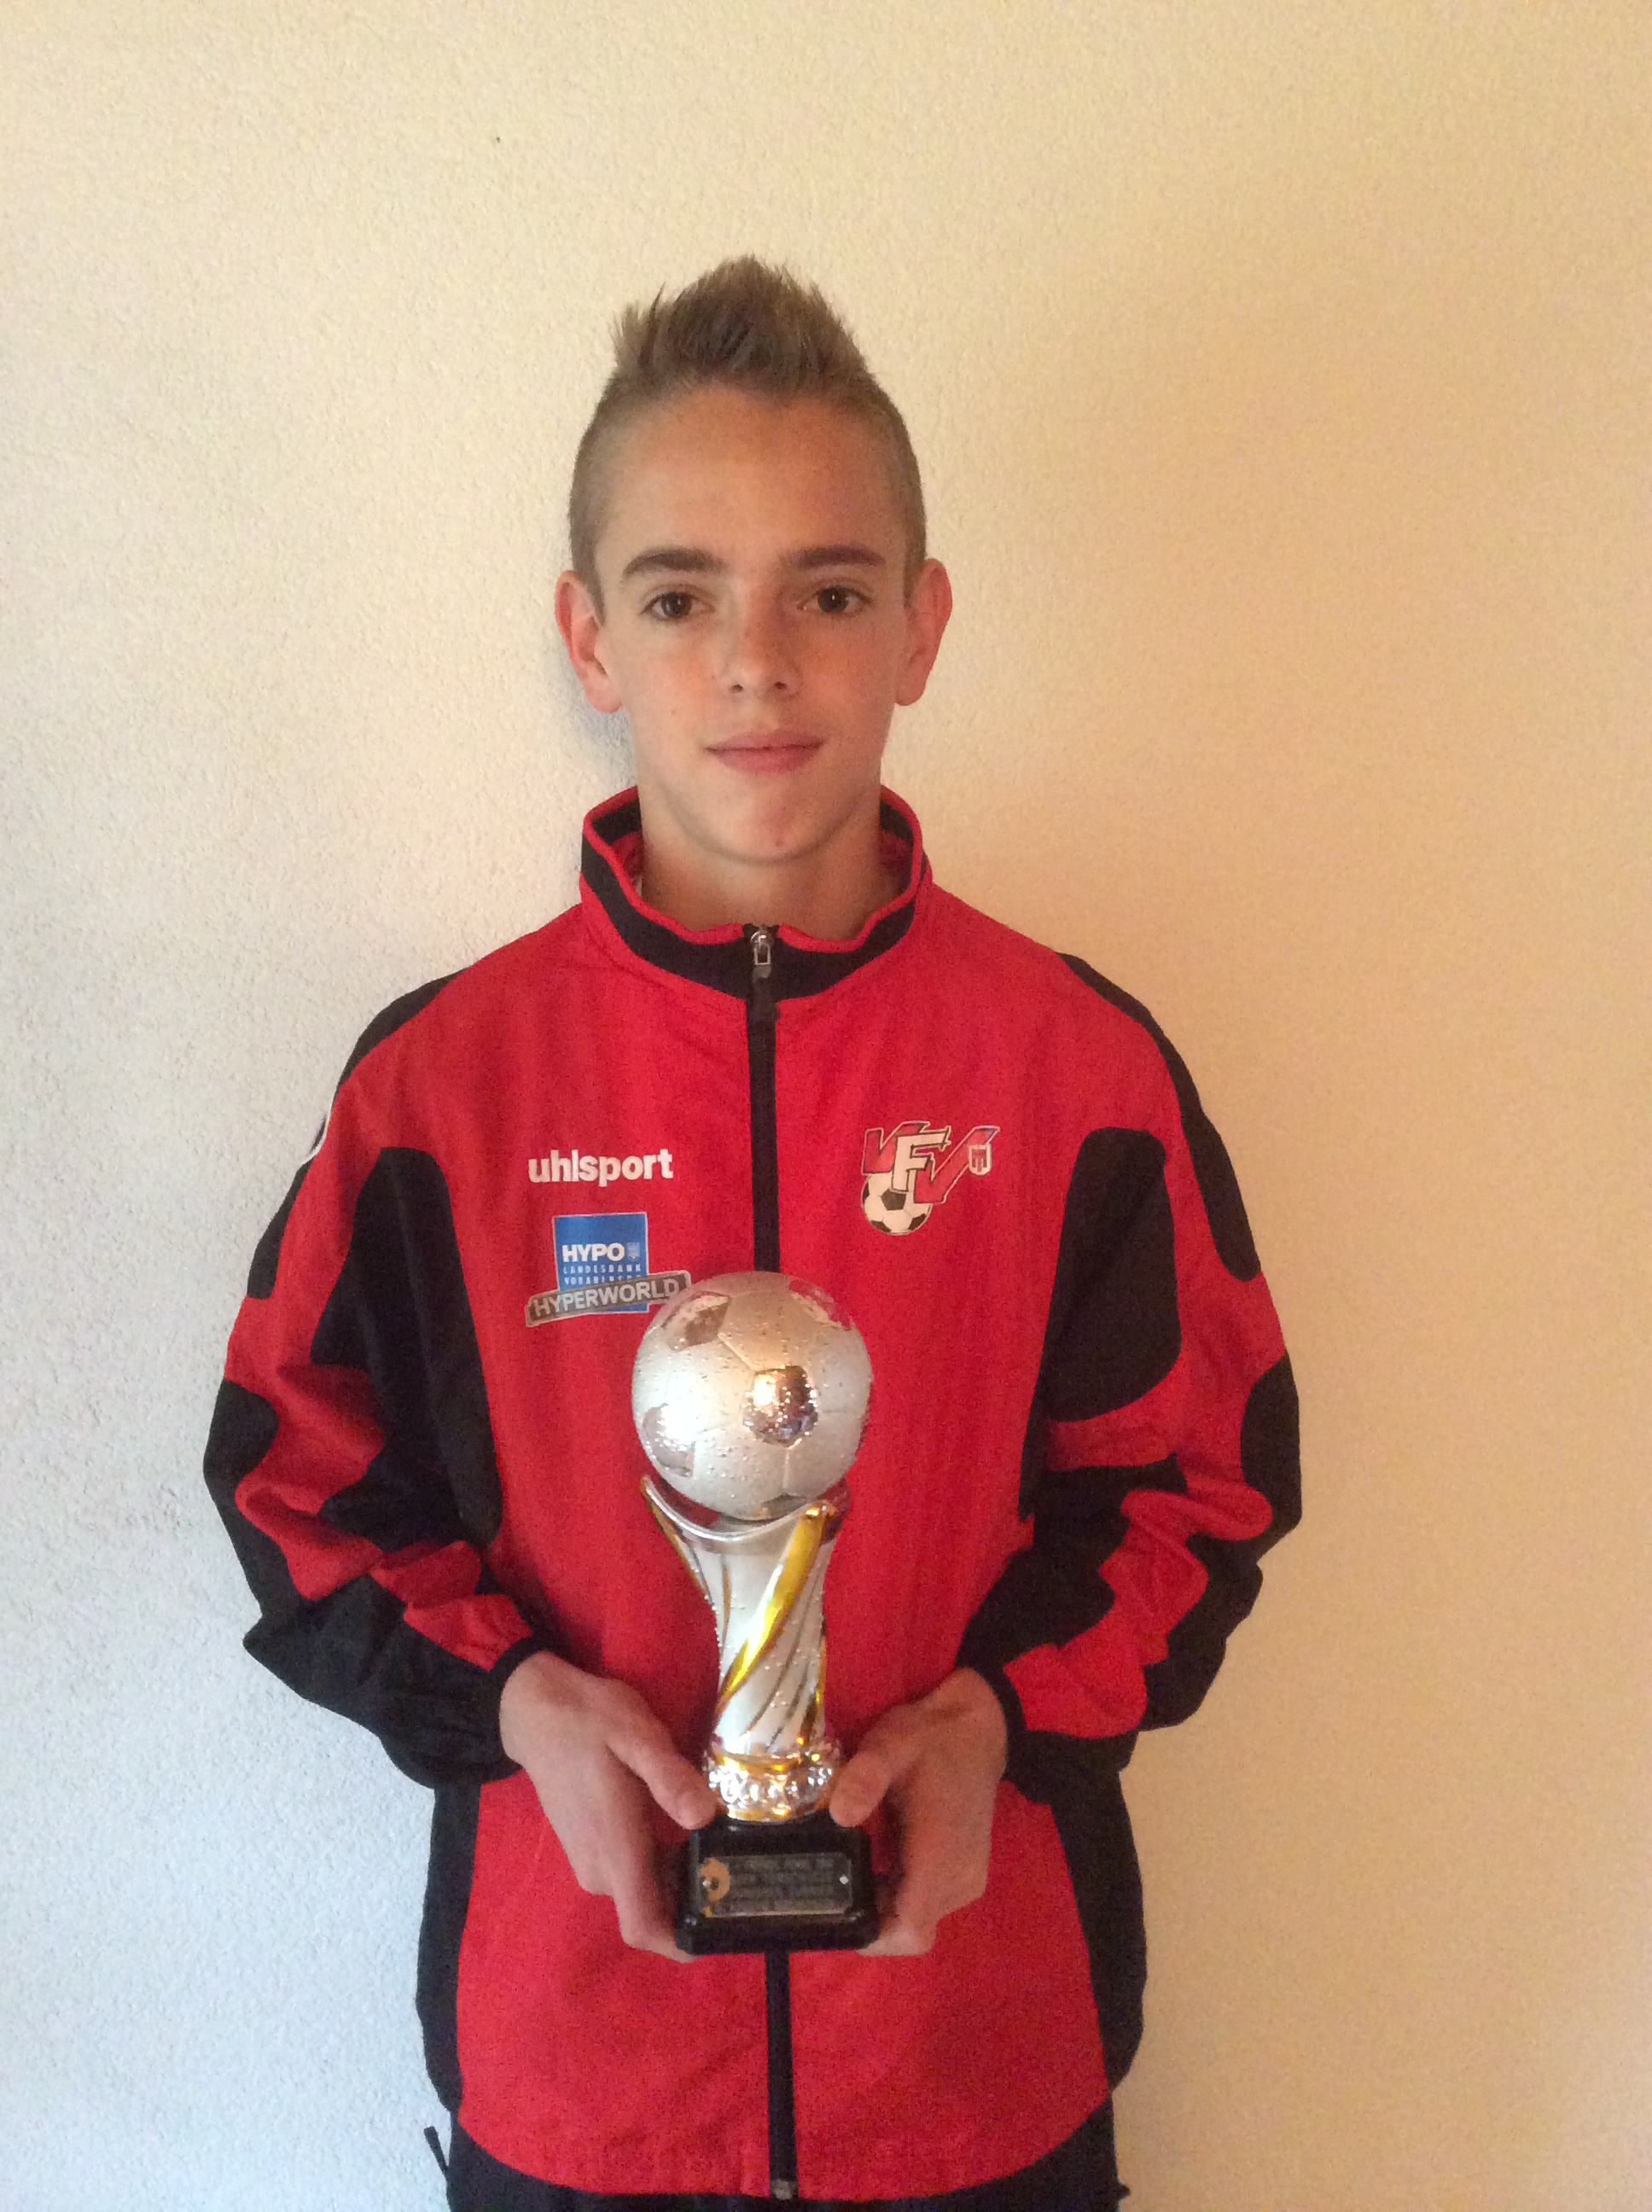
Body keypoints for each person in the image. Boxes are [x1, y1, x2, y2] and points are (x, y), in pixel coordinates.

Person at [205, 259, 1299, 2211]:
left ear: (921, 624)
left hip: (968, 2068)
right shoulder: (442, 1090)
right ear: (588, 637)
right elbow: (296, 1482)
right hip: (580, 2076)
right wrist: (517, 1706)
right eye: (678, 595)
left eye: (828, 592)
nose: (755, 663)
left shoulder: (1074, 1071)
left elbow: (1196, 1490)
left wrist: (997, 1723)